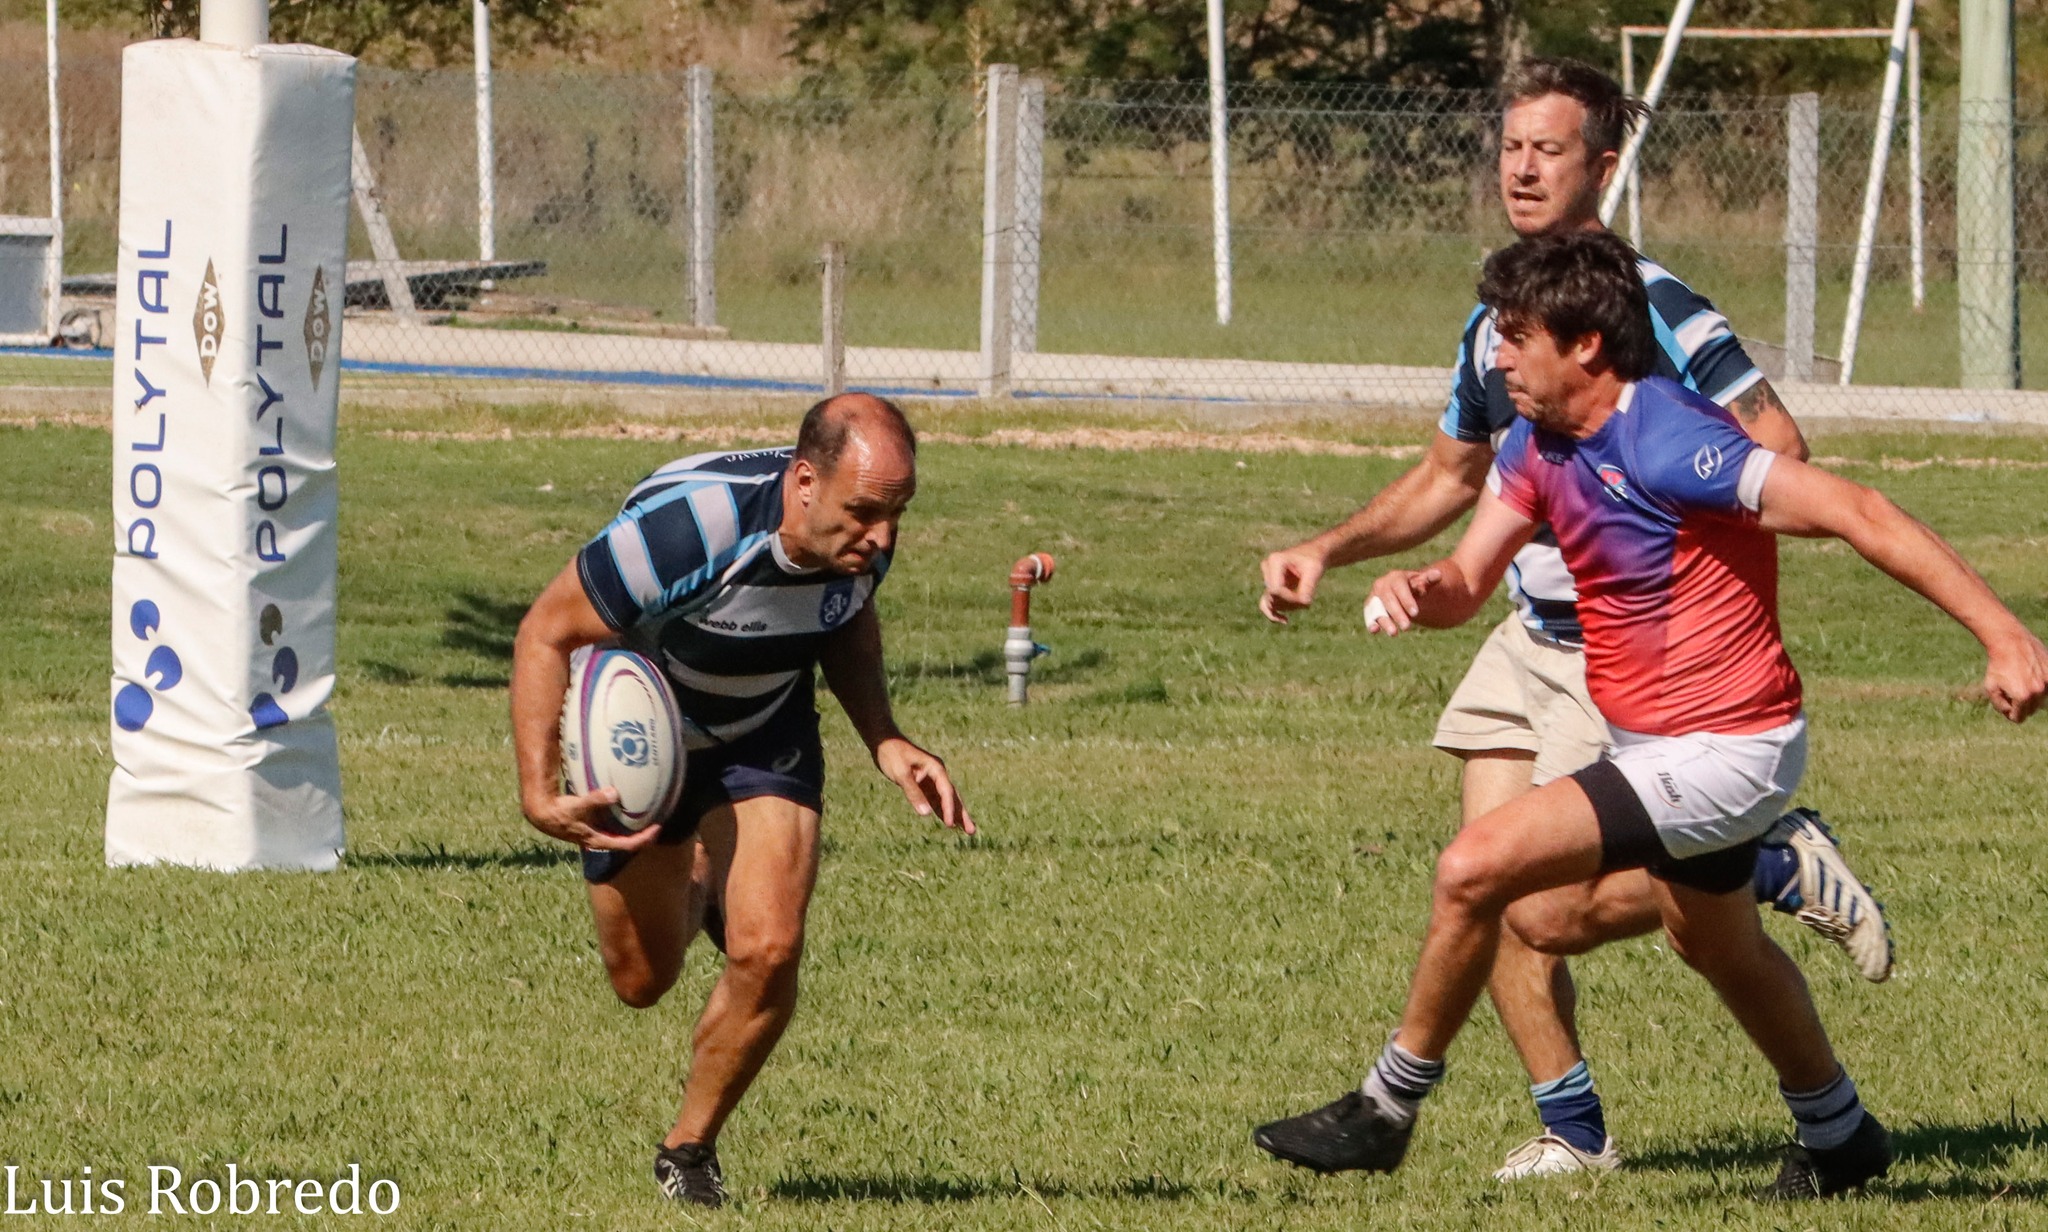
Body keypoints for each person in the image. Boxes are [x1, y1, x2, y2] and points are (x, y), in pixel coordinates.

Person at [1254, 229, 2048, 1198]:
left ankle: (1385, 1105)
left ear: (1584, 343)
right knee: (1711, 943)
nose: (1494, 355)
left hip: (1730, 747)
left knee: (1475, 867)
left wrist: (2002, 635)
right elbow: (1468, 577)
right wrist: (1426, 586)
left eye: (1513, 335)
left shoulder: (1673, 438)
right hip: (1654, 742)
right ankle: (1838, 1133)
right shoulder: (1536, 443)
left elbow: (1859, 509)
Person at [1258, 57, 1892, 1181]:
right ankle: (1578, 1132)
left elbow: (1776, 451)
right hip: (1520, 636)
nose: (1520, 166)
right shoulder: (1500, 322)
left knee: (1552, 904)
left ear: (1603, 164)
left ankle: (1760, 864)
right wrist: (1330, 547)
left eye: (1547, 148)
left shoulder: (1655, 310)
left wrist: (1626, 527)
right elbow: (1452, 475)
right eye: (1509, 146)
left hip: (1632, 658)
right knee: (1487, 891)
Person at [509, 393, 972, 1208]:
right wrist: (538, 790)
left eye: (899, 513)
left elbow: (845, 619)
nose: (884, 536)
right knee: (641, 980)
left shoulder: (862, 534)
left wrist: (886, 737)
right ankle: (698, 869)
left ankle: (688, 1148)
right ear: (803, 482)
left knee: (770, 948)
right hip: (643, 737)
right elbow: (546, 631)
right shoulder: (691, 530)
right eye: (866, 511)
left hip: (767, 726)